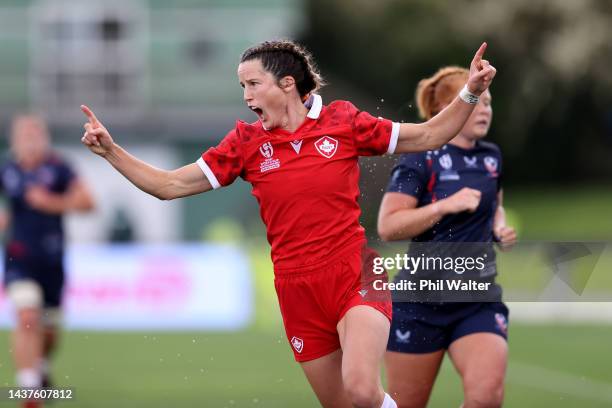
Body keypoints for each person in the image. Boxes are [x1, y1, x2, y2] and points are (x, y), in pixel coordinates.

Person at [80, 40, 496, 408]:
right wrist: (111, 152)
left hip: (355, 273)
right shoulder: (244, 144)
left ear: (286, 84)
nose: (245, 96)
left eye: (252, 84)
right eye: (241, 86)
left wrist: (470, 93)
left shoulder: (344, 121)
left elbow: (427, 135)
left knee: (362, 390)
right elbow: (169, 185)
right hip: (297, 291)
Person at [378, 66, 516, 408]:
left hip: (477, 298)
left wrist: (499, 226)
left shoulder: (491, 157)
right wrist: (445, 206)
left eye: (489, 102)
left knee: (486, 398)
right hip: (419, 303)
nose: (485, 109)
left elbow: (494, 205)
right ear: (447, 109)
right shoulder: (419, 159)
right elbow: (388, 226)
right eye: (476, 101)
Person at [1, 114, 95, 407]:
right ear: (15, 140)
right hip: (19, 259)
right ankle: (29, 390)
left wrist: (50, 202)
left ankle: (40, 367)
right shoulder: (8, 169)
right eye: (25, 135)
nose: (30, 141)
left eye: (35, 134)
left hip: (52, 261)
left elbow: (88, 203)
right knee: (27, 316)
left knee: (49, 331)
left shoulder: (60, 168)